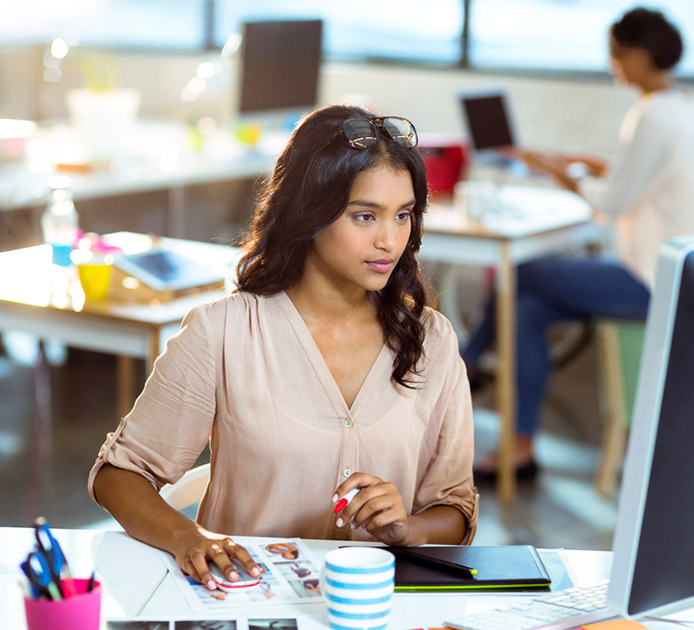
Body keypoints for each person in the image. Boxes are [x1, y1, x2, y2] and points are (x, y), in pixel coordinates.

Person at [89, 105, 477, 592]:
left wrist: (407, 529)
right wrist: (187, 537)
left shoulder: (432, 341)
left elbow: (456, 508)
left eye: (403, 215)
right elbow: (120, 475)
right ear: (310, 212)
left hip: (375, 609)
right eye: (365, 216)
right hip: (243, 603)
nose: (390, 239)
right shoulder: (223, 332)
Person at [462, 7, 694, 479]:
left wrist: (552, 169)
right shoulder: (685, 106)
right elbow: (643, 178)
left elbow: (613, 202)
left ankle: (465, 364)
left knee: (521, 272)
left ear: (641, 55)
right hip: (675, 274)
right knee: (527, 310)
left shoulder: (654, 115)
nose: (614, 66)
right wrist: (579, 161)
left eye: (618, 55)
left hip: (652, 280)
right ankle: (519, 448)